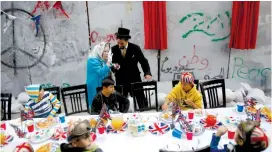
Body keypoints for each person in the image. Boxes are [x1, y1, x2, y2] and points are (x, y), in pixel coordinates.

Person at [111, 27, 152, 109]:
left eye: (121, 41)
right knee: (121, 102)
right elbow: (111, 64)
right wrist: (114, 69)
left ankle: (144, 113)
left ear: (126, 40)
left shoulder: (135, 48)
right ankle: (122, 114)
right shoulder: (113, 49)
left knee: (141, 99)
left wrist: (147, 73)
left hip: (134, 78)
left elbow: (143, 61)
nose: (119, 43)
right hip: (121, 79)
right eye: (118, 40)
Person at [86, 42, 117, 111]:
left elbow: (106, 70)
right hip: (95, 85)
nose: (106, 53)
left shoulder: (101, 59)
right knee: (97, 105)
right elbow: (100, 72)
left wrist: (113, 66)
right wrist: (108, 63)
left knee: (105, 105)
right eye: (104, 51)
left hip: (101, 85)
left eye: (108, 51)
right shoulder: (92, 60)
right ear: (99, 51)